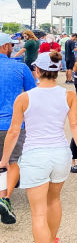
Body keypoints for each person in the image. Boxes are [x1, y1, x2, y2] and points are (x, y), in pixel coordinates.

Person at [0, 51, 77, 243]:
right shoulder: (68, 95)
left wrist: (4, 159)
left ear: (37, 71)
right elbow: (76, 125)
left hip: (35, 156)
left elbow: (13, 132)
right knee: (54, 200)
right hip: (60, 154)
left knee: (38, 211)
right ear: (57, 71)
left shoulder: (25, 98)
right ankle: (51, 242)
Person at [0, 33, 36, 224]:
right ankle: (5, 198)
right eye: (11, 45)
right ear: (5, 46)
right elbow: (33, 94)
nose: (13, 48)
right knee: (12, 162)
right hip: (12, 124)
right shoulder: (20, 67)